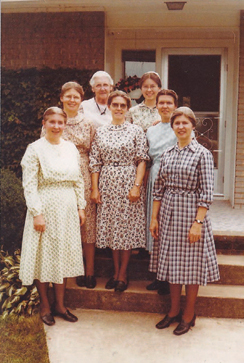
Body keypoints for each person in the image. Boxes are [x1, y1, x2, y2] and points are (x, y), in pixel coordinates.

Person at [150, 107, 220, 335]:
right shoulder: (168, 153)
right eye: (176, 123)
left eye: (184, 123)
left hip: (191, 214)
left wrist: (197, 223)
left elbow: (207, 192)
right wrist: (154, 218)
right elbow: (158, 189)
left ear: (192, 126)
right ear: (172, 127)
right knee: (172, 265)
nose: (180, 126)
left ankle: (188, 315)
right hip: (169, 213)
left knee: (191, 267)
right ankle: (173, 311)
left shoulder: (202, 154)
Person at [20, 107, 86, 326]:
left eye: (60, 122)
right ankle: (45, 306)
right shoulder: (35, 149)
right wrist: (37, 213)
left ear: (65, 125)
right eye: (52, 122)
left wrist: (81, 206)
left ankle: (60, 305)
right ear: (44, 123)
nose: (57, 126)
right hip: (45, 207)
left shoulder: (70, 148)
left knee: (64, 255)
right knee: (44, 256)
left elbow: (78, 179)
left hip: (67, 208)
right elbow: (29, 185)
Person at [89, 90, 149, 292]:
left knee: (127, 229)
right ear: (109, 106)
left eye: (123, 105)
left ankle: (123, 274)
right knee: (113, 230)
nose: (119, 109)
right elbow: (95, 162)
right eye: (115, 105)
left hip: (128, 181)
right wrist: (95, 189)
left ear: (127, 108)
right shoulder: (101, 131)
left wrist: (136, 186)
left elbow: (142, 160)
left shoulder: (136, 131)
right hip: (107, 183)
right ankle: (115, 273)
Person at [42, 82, 97, 289]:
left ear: (81, 99)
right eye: (68, 96)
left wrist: (93, 185)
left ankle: (89, 271)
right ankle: (63, 271)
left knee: (87, 226)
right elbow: (44, 150)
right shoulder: (54, 120)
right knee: (61, 224)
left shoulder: (88, 123)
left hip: (82, 173)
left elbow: (94, 154)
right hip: (59, 177)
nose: (72, 100)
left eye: (76, 97)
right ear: (62, 98)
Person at [146, 89, 178, 294]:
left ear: (175, 106)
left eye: (169, 102)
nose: (165, 106)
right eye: (161, 102)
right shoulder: (151, 130)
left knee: (169, 226)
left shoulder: (180, 127)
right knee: (155, 223)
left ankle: (168, 276)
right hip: (155, 175)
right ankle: (157, 274)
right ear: (156, 105)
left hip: (174, 178)